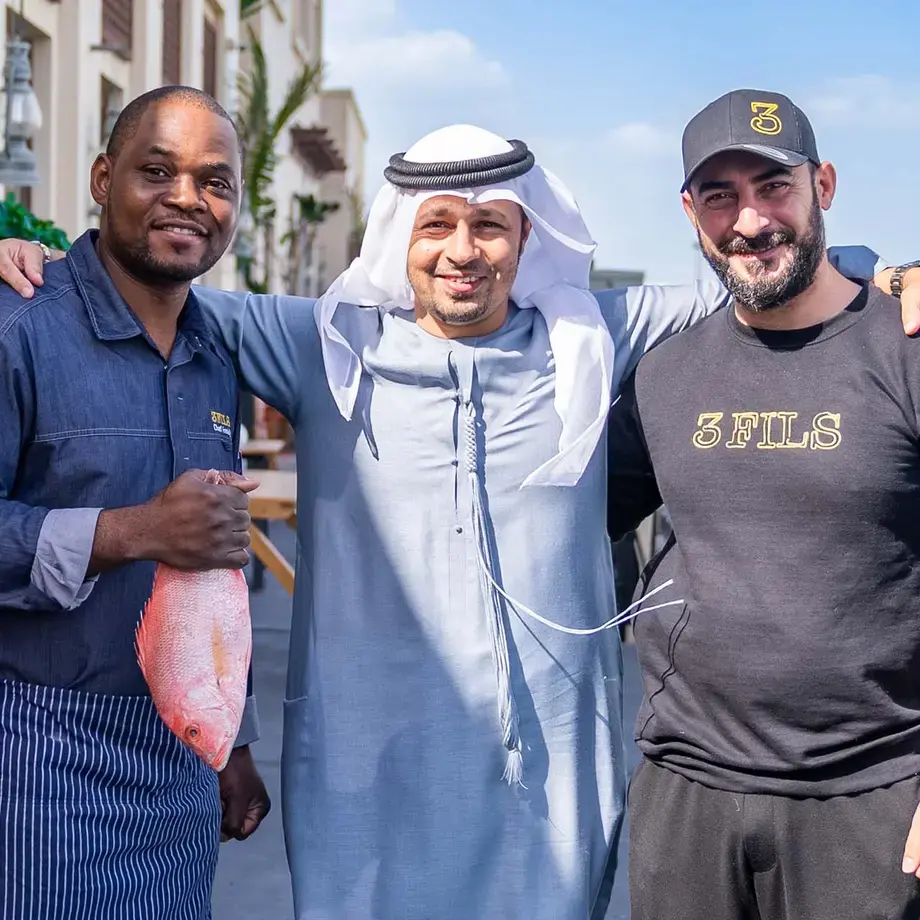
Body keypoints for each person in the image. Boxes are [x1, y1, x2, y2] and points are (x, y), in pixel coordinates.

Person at [0, 123, 908, 920]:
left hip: (549, 777)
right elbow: (149, 285)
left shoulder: (595, 337)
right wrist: (31, 259)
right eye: (436, 224)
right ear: (401, 236)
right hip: (368, 770)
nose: (463, 250)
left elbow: (762, 272)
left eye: (490, 226)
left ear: (526, 238)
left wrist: (885, 269)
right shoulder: (320, 342)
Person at [605, 88, 920, 920]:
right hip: (686, 795)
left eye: (773, 187)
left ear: (824, 185)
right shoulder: (663, 376)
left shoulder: (907, 350)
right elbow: (567, 520)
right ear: (689, 211)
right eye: (721, 197)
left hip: (873, 796)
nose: (750, 222)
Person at [0, 85, 270, 919]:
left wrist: (235, 739)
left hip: (182, 764)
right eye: (158, 171)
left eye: (215, 182)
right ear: (101, 177)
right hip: (35, 760)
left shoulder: (215, 355)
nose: (188, 198)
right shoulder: (19, 325)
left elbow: (211, 575)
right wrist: (131, 531)